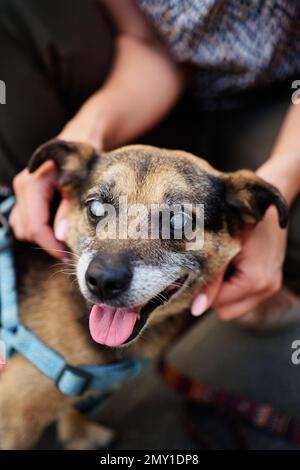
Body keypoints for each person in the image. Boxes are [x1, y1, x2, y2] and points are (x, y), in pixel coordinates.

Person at [2, 0, 300, 321]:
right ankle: (14, 242)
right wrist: (82, 138)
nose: (107, 273)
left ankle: (249, 304)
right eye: (99, 210)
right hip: (159, 82)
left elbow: (270, 200)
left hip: (279, 103)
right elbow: (147, 43)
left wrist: (275, 192)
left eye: (175, 223)